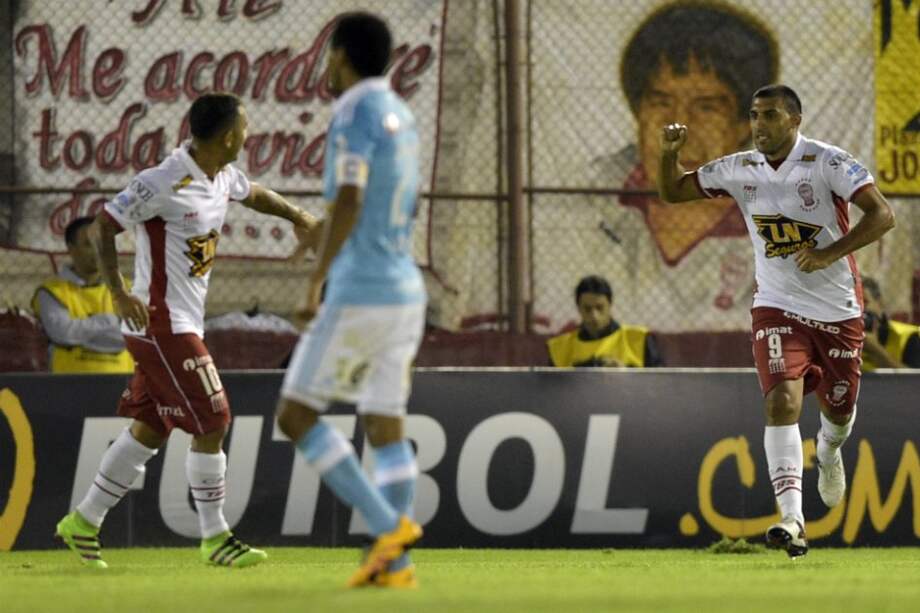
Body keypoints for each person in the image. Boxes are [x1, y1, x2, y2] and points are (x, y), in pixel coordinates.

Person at [54, 92, 322, 569]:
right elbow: (103, 226)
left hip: (180, 321)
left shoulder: (219, 175)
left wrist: (299, 216)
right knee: (214, 419)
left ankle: (83, 521)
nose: (249, 132)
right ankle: (215, 537)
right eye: (245, 125)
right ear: (229, 135)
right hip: (161, 323)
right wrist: (118, 293)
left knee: (150, 429)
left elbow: (254, 193)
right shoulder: (162, 181)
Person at [657, 84, 896, 558]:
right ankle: (792, 519)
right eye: (753, 115)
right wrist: (669, 155)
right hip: (777, 306)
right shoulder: (739, 168)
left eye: (769, 115)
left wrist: (829, 253)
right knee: (780, 402)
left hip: (838, 311)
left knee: (839, 412)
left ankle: (828, 451)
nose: (758, 125)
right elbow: (673, 190)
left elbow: (883, 215)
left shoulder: (828, 162)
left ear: (795, 120)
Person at [275, 12, 425, 589]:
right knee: (386, 424)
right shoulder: (401, 114)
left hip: (362, 290)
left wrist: (317, 278)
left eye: (328, 57)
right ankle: (398, 566)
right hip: (405, 288)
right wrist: (328, 230)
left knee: (295, 415)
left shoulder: (353, 112)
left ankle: (390, 528)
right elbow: (387, 199)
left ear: (339, 56)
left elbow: (354, 195)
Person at [534, 2, 779, 334]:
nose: (678, 126)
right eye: (660, 102)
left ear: (743, 126)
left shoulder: (781, 219)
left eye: (706, 108)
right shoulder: (585, 199)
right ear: (638, 114)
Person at [31, 217, 133, 373]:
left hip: (123, 385)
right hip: (68, 386)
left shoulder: (128, 289)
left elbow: (136, 335)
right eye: (88, 244)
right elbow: (63, 334)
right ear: (71, 248)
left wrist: (81, 335)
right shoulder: (51, 292)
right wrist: (112, 321)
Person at [547, 275, 661, 367]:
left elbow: (661, 386)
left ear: (610, 305)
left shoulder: (638, 339)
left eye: (600, 308)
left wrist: (627, 374)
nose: (594, 316)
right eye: (587, 309)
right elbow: (553, 393)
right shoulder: (560, 349)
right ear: (578, 308)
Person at [860, 277, 920, 370]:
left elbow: (914, 382)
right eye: (851, 304)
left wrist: (876, 350)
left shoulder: (907, 338)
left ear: (879, 303)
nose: (858, 310)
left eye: (864, 302)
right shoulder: (839, 337)